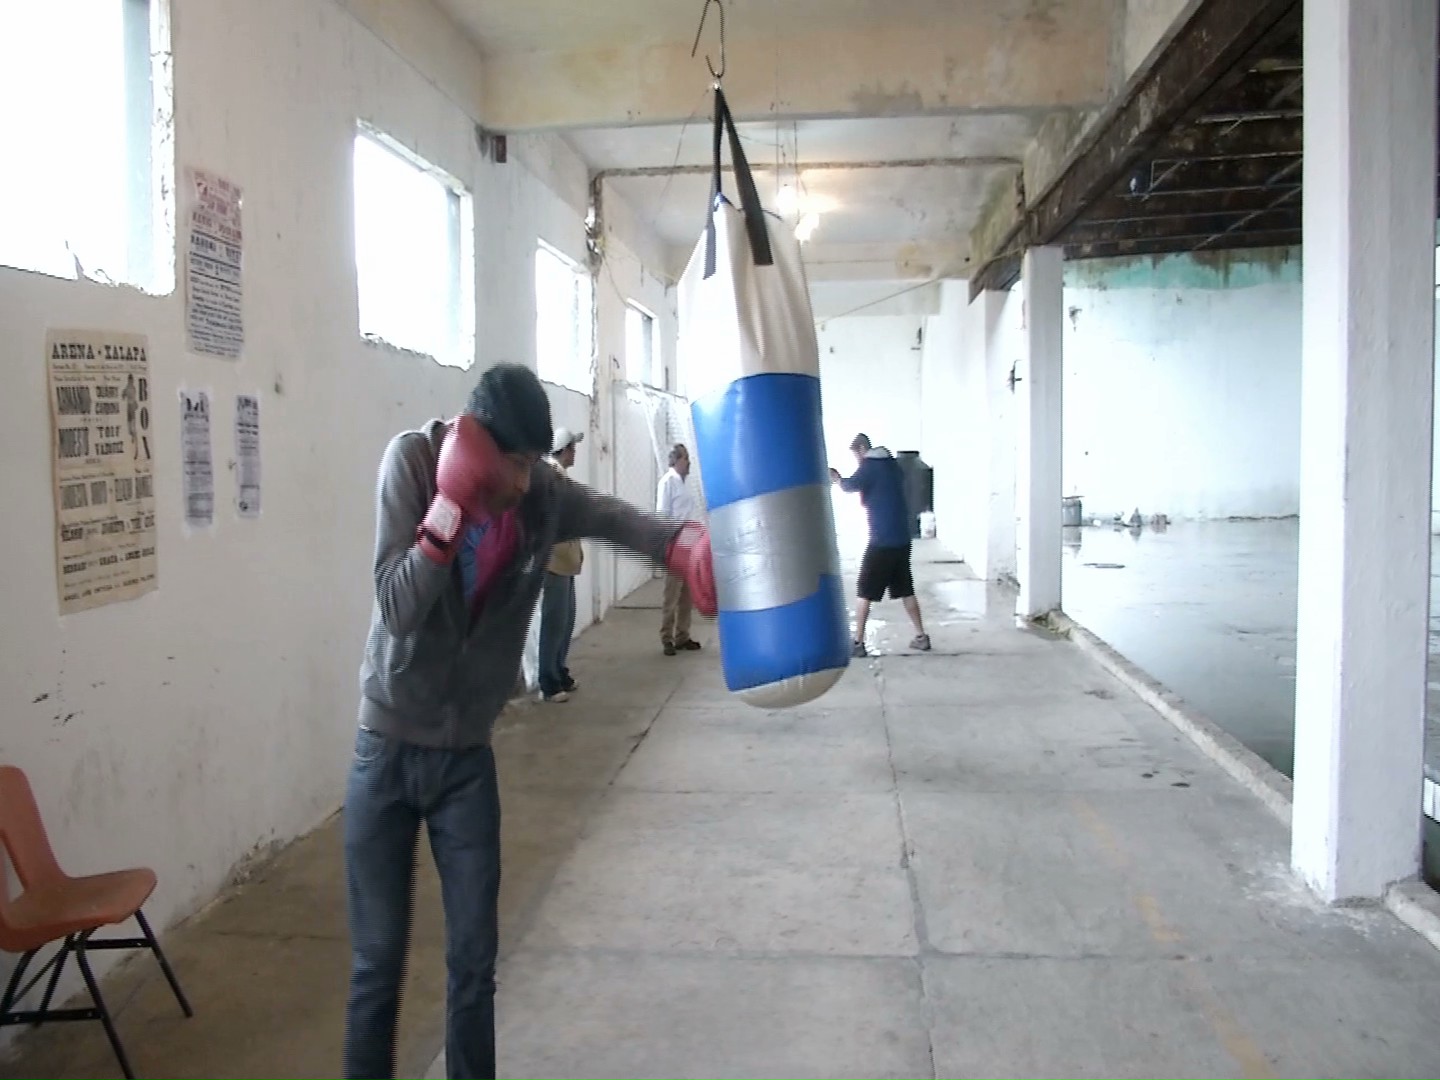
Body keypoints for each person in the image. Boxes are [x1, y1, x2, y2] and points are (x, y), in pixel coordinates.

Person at [344, 363, 715, 1080]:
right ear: (474, 437)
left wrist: (680, 545)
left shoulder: (540, 497)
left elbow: (613, 516)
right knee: (376, 965)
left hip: (464, 762)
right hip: (384, 750)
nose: (521, 479)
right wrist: (447, 512)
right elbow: (396, 606)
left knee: (474, 965)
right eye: (512, 461)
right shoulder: (415, 464)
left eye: (532, 463)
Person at [829, 432, 930, 657]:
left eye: (857, 456)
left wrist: (836, 478)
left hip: (882, 541)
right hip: (902, 539)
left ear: (862, 449)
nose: (858, 461)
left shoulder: (870, 466)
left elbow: (850, 485)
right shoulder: (893, 465)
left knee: (864, 590)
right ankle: (921, 636)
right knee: (905, 589)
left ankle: (857, 642)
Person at [538, 426, 584, 703]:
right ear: (563, 449)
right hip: (555, 563)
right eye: (572, 448)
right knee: (554, 623)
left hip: (566, 563)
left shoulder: (561, 477)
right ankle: (548, 681)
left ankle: (558, 670)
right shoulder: (553, 478)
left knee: (565, 621)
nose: (575, 452)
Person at [655, 442, 701, 656]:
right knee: (671, 594)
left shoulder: (683, 484)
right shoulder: (668, 482)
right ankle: (667, 637)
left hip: (688, 542)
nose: (689, 463)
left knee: (686, 595)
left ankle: (683, 635)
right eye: (686, 458)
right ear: (677, 460)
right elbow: (663, 515)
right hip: (674, 543)